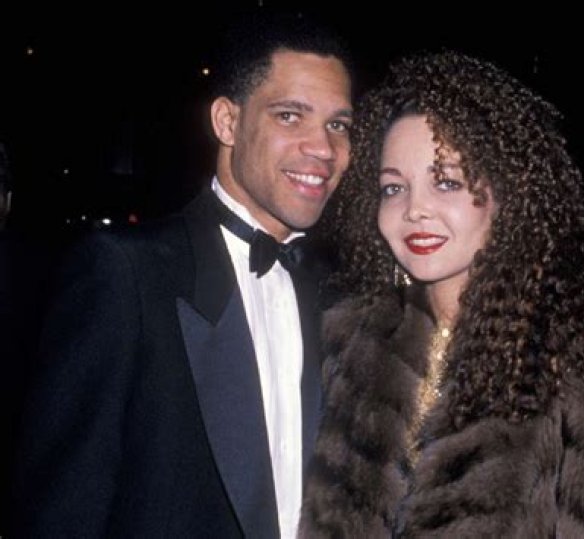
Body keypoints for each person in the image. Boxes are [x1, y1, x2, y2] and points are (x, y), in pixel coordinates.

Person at [300, 51, 584, 537]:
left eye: (446, 182)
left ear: (509, 195)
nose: (415, 209)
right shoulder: (352, 344)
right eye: (393, 188)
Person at [11, 12, 353, 538]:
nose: (324, 149)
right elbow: (62, 513)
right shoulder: (125, 275)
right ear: (227, 122)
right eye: (290, 116)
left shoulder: (340, 296)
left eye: (338, 125)